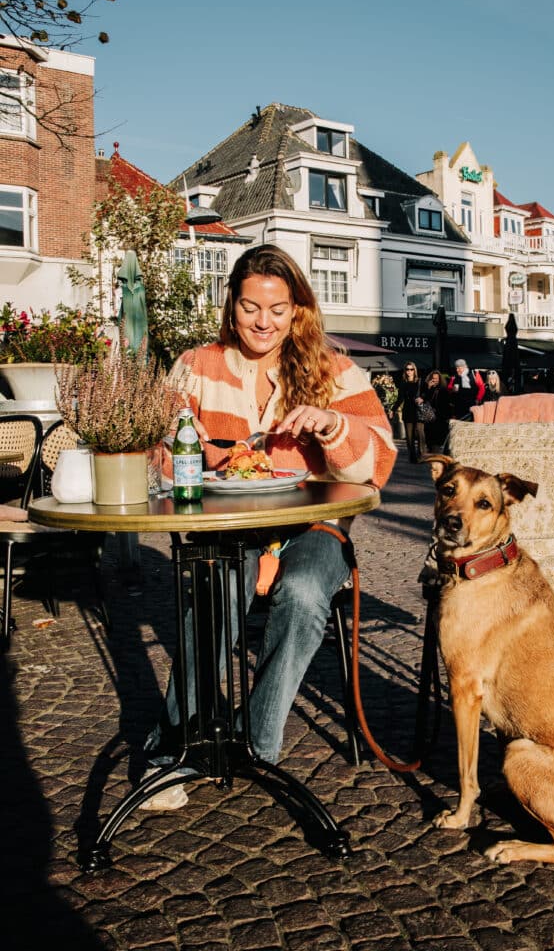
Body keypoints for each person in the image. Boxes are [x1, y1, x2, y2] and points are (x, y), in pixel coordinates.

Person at [142, 243, 396, 809]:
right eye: (250, 307)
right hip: (227, 529)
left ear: (297, 309)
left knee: (304, 593)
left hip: (314, 528)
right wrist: (188, 448)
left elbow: (379, 463)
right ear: (231, 304)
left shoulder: (334, 369)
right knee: (219, 589)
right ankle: (174, 750)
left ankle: (256, 744)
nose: (264, 322)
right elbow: (155, 458)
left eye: (278, 310)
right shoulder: (197, 366)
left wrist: (332, 424)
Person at [392, 362, 422, 462]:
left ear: (414, 370)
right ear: (405, 371)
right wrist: (393, 409)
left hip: (418, 411)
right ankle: (412, 457)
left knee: (420, 434)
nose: (409, 371)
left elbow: (425, 394)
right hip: (408, 410)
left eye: (411, 369)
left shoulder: (419, 382)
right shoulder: (403, 383)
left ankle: (421, 455)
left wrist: (422, 398)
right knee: (409, 436)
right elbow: (400, 398)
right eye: (407, 369)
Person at [420, 370, 451, 451]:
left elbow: (447, 404)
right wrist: (428, 388)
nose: (435, 380)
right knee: (429, 439)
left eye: (436, 378)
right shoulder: (426, 388)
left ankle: (436, 452)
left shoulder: (443, 389)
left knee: (438, 440)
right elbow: (424, 398)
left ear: (440, 379)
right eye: (433, 378)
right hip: (429, 417)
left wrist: (447, 416)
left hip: (440, 417)